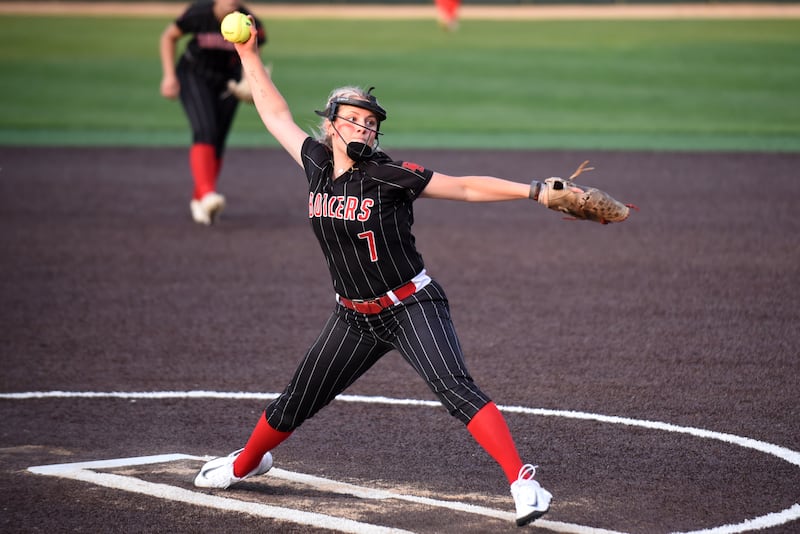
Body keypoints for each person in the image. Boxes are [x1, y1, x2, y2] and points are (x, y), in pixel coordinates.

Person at [192, 17, 553, 528]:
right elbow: (274, 114)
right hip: (352, 319)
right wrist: (249, 54)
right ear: (332, 124)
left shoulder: (389, 174)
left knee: (455, 387)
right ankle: (246, 462)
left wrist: (533, 190)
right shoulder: (316, 164)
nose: (364, 128)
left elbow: (467, 187)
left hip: (411, 305)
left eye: (371, 123)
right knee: (297, 399)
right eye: (354, 120)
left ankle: (524, 483)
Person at [159, 0, 267, 225]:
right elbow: (168, 37)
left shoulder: (248, 21)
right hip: (194, 75)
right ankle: (208, 193)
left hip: (228, 83)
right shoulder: (199, 13)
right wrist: (169, 76)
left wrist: (250, 80)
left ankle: (200, 198)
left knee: (217, 140)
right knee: (205, 129)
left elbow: (254, 52)